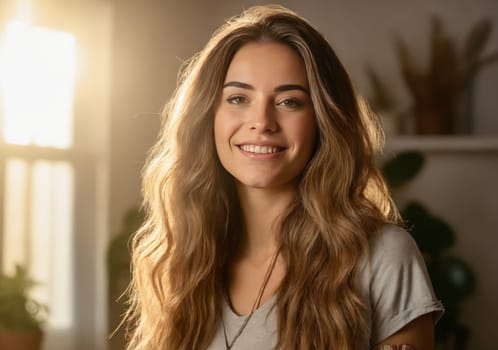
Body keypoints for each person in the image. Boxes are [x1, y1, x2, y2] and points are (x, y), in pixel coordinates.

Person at [124, 4, 443, 350]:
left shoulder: (380, 257)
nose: (262, 121)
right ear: (207, 117)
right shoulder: (179, 261)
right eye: (238, 98)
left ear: (323, 121)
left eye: (290, 102)